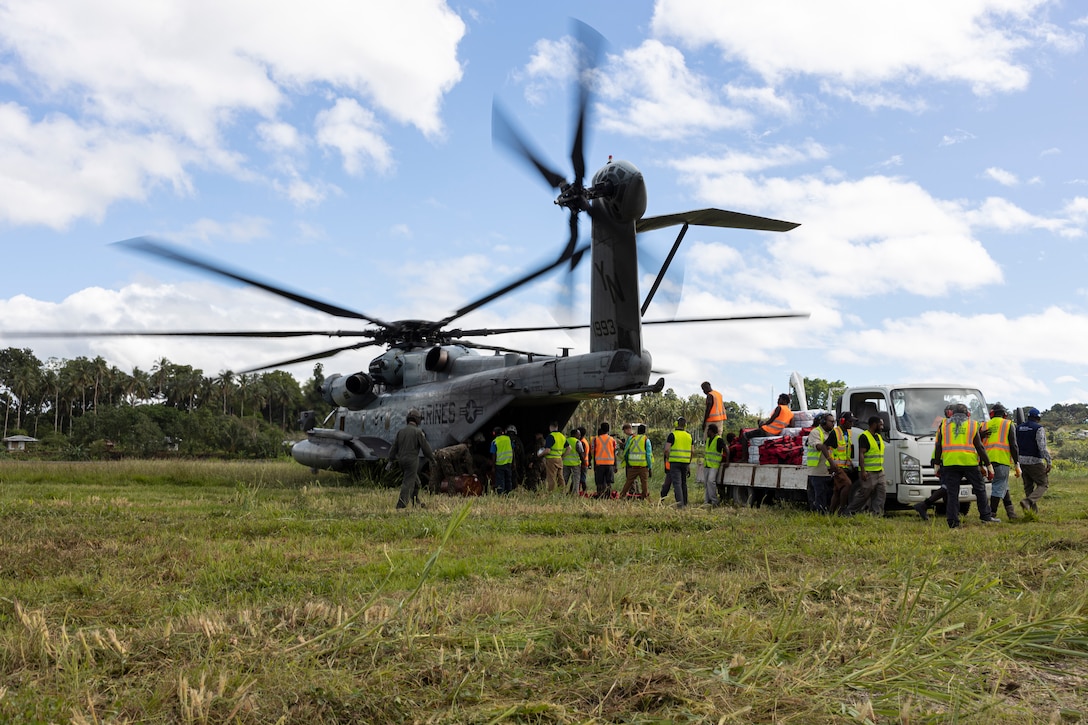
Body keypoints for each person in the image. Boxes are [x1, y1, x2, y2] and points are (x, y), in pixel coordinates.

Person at [936, 403, 998, 528]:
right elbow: (979, 447)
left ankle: (953, 522)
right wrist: (989, 466)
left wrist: (937, 465)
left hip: (950, 463)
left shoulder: (944, 425)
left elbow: (938, 446)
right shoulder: (973, 424)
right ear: (967, 414)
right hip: (969, 463)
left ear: (952, 413)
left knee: (952, 493)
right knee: (980, 489)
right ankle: (985, 516)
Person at [388, 408, 436, 509]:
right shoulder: (418, 432)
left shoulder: (401, 432)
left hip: (401, 461)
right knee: (408, 482)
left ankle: (415, 502)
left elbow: (394, 447)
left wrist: (390, 460)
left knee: (416, 482)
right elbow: (425, 448)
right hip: (412, 461)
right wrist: (432, 459)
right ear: (417, 420)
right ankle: (401, 505)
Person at [845, 416, 887, 516]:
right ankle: (849, 511)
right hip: (869, 471)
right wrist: (863, 470)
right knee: (864, 494)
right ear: (874, 424)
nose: (882, 427)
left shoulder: (878, 437)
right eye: (880, 424)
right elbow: (861, 454)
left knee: (881, 493)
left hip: (879, 471)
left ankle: (876, 514)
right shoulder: (864, 436)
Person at [984, 404, 1020, 520]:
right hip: (1001, 460)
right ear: (1005, 415)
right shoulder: (1008, 424)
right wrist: (1017, 464)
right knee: (998, 486)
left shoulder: (984, 425)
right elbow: (1013, 445)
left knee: (1003, 485)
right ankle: (991, 514)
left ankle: (1011, 513)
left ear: (991, 414)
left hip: (987, 461)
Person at [1016, 407, 1051, 513]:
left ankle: (1032, 512)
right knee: (1043, 484)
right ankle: (1028, 501)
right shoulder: (1038, 428)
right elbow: (1042, 446)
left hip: (1021, 460)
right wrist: (1049, 461)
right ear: (1038, 418)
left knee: (1028, 487)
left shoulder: (1018, 428)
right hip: (1034, 461)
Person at [805, 413, 836, 513]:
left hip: (827, 471)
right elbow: (821, 447)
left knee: (827, 495)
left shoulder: (830, 433)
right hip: (817, 471)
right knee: (819, 496)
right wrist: (831, 462)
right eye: (831, 421)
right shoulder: (815, 432)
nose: (833, 423)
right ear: (823, 422)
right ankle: (818, 515)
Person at [827, 412, 856, 514]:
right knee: (847, 484)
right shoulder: (835, 433)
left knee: (837, 490)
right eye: (850, 421)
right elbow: (825, 447)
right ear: (842, 421)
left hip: (844, 465)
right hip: (836, 466)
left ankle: (831, 512)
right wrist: (831, 463)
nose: (852, 424)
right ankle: (842, 509)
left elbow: (846, 450)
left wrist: (850, 462)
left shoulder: (848, 433)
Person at [663, 416, 692, 507]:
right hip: (685, 462)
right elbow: (693, 451)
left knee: (677, 484)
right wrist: (689, 462)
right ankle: (685, 502)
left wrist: (668, 458)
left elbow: (666, 449)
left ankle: (680, 504)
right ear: (685, 425)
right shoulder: (689, 436)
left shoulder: (672, 435)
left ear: (676, 424)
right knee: (684, 483)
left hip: (674, 462)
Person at [619, 423, 652, 499]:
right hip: (643, 466)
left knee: (628, 482)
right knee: (644, 483)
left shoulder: (632, 438)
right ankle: (644, 497)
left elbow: (626, 452)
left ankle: (622, 495)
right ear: (645, 431)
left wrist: (627, 462)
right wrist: (649, 467)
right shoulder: (646, 440)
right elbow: (648, 455)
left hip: (632, 466)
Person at [539, 421, 568, 492]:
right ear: (557, 427)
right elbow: (569, 448)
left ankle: (551, 493)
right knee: (560, 477)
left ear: (550, 427)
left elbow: (547, 450)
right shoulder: (562, 436)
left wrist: (540, 454)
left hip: (551, 459)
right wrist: (563, 456)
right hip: (559, 459)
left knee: (551, 477)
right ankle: (562, 492)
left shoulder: (551, 436)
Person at [590, 422, 618, 498]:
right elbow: (614, 453)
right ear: (608, 430)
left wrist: (594, 464)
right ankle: (608, 496)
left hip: (599, 464)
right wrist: (615, 465)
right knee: (609, 482)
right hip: (610, 464)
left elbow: (593, 452)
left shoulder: (595, 440)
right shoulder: (612, 440)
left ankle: (600, 495)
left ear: (601, 429)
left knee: (599, 481)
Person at [703, 423, 728, 506]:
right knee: (707, 483)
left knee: (711, 482)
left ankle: (714, 501)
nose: (707, 432)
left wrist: (727, 461)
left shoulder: (718, 440)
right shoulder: (708, 440)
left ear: (711, 431)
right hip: (707, 464)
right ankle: (707, 501)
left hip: (714, 465)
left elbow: (726, 449)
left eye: (708, 431)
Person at [491, 426, 515, 494]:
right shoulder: (508, 439)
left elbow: (493, 455)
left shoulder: (494, 442)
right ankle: (508, 493)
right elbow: (513, 451)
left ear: (494, 433)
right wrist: (513, 462)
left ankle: (501, 494)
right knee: (508, 479)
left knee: (500, 480)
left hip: (499, 464)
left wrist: (493, 466)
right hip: (508, 463)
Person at [562, 427, 583, 494]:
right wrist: (583, 462)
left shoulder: (565, 440)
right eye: (578, 434)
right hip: (575, 464)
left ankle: (561, 492)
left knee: (564, 479)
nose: (579, 436)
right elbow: (581, 453)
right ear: (575, 434)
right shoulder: (577, 442)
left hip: (565, 463)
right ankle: (575, 493)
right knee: (576, 480)